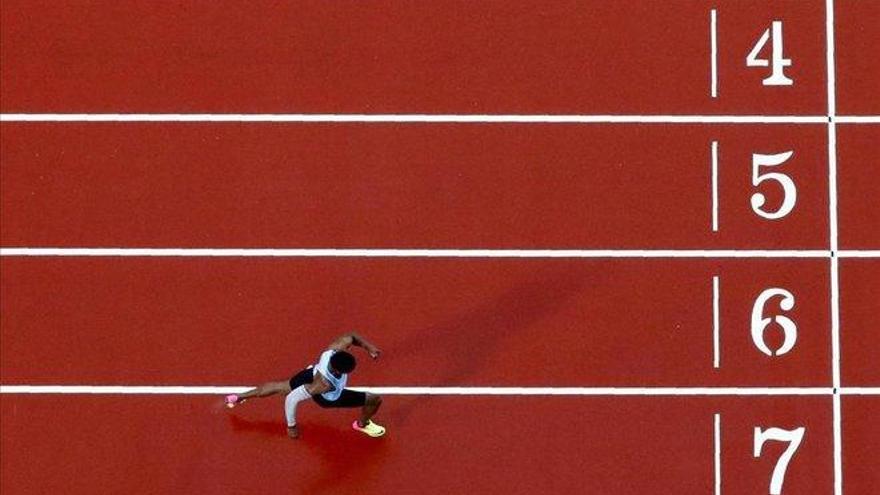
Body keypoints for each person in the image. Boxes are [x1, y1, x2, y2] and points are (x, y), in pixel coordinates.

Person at [225, 332, 385, 438]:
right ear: (338, 371)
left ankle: (239, 397)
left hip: (310, 373)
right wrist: (291, 426)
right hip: (327, 397)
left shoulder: (333, 350)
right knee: (375, 399)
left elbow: (351, 336)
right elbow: (291, 399)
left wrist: (368, 347)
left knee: (280, 386)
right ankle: (362, 424)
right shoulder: (324, 385)